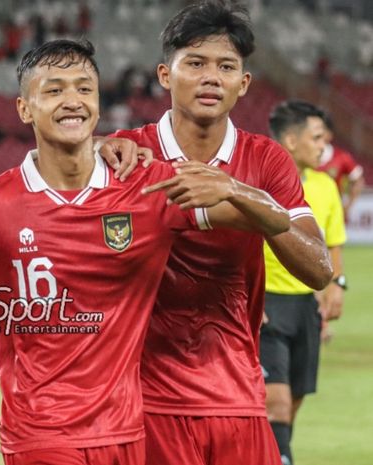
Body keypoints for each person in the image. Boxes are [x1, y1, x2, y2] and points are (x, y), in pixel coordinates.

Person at [0, 38, 289, 465]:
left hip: (127, 434)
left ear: (98, 102)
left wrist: (234, 188)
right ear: (24, 108)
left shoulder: (147, 187)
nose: (72, 101)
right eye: (54, 90)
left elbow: (276, 221)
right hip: (39, 435)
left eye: (84, 89)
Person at [109, 2, 333, 465]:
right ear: (165, 75)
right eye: (195, 62)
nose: (212, 77)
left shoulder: (267, 160)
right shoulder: (126, 154)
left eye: (226, 66)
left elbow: (318, 268)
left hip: (238, 395)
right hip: (145, 400)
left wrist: (235, 192)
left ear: (243, 84)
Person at [262, 100, 347, 465]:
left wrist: (336, 285)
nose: (323, 146)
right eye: (316, 138)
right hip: (265, 303)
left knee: (292, 404)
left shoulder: (326, 186)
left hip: (304, 307)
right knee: (275, 404)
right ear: (291, 141)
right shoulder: (257, 182)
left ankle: (273, 454)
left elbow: (332, 244)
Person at [317, 113, 364, 219]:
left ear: (329, 134)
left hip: (332, 213)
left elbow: (358, 181)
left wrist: (347, 206)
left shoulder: (342, 157)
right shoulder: (302, 157)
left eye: (321, 131)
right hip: (308, 211)